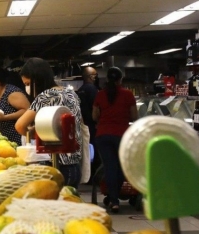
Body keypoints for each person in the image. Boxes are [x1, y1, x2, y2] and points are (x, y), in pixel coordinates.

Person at [15, 58, 84, 189]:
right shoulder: (71, 93)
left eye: (28, 83)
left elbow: (20, 126)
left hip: (56, 165)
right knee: (70, 202)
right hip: (75, 165)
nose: (27, 88)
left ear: (37, 79)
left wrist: (40, 135)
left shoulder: (45, 96)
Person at [92, 67, 138, 213]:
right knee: (122, 168)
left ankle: (114, 200)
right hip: (122, 136)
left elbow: (94, 116)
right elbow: (134, 117)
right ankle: (114, 198)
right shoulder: (128, 94)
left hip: (103, 136)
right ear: (120, 80)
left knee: (110, 167)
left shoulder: (100, 95)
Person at [77, 67, 99, 182]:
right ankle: (94, 177)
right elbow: (96, 108)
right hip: (92, 125)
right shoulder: (92, 89)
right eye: (94, 75)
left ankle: (87, 175)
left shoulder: (80, 90)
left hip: (83, 125)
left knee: (87, 152)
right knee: (94, 152)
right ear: (90, 77)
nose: (96, 78)